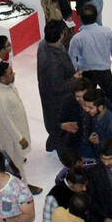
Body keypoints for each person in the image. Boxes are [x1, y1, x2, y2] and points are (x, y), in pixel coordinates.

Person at [68, 4, 112, 117]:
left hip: (87, 73)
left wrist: (74, 73)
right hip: (104, 71)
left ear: (79, 18)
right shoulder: (107, 32)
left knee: (87, 98)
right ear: (96, 16)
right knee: (110, 95)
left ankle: (89, 118)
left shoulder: (77, 38)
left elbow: (72, 57)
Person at [37, 19, 78, 154]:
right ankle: (61, 149)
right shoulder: (53, 61)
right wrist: (75, 79)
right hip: (58, 100)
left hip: (50, 95)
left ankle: (53, 141)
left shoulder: (44, 45)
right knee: (61, 126)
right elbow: (58, 86)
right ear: (61, 35)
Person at [0, 61, 34, 181]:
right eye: (10, 73)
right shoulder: (0, 98)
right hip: (11, 138)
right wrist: (20, 138)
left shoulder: (1, 85)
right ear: (3, 78)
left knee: (18, 162)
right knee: (15, 165)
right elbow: (6, 121)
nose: (13, 74)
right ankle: (22, 187)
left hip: (17, 129)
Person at [79, 89, 112, 161]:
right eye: (86, 106)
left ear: (100, 108)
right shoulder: (95, 114)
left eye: (90, 108)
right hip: (95, 150)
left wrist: (99, 143)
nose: (87, 110)